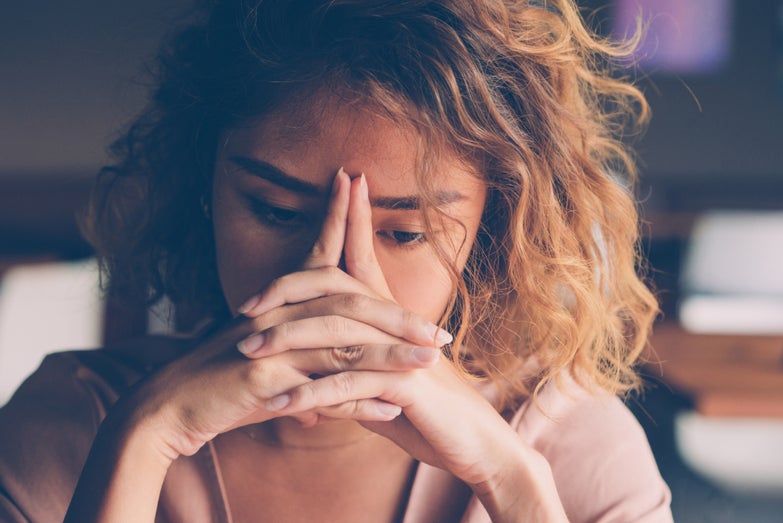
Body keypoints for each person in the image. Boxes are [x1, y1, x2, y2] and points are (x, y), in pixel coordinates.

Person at [0, 0, 672, 521]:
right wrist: (147, 437)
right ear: (201, 186)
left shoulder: (570, 449)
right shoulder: (74, 423)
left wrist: (514, 484)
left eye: (406, 232)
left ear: (490, 231)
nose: (338, 283)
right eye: (276, 211)